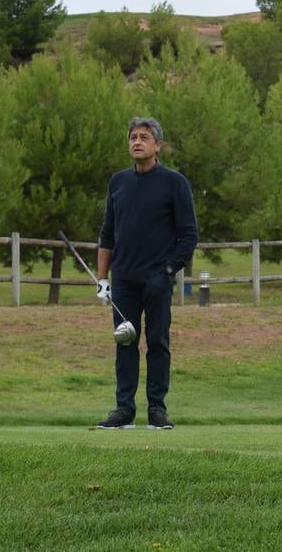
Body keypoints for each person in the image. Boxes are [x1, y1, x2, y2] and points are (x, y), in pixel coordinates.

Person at [93, 117, 198, 430]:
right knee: (125, 341)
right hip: (123, 278)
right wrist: (103, 279)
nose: (136, 142)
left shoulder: (174, 183)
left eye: (143, 137)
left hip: (157, 278)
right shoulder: (118, 183)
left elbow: (189, 235)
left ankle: (157, 410)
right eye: (132, 137)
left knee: (157, 342)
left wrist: (167, 270)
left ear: (157, 146)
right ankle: (124, 410)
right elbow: (108, 233)